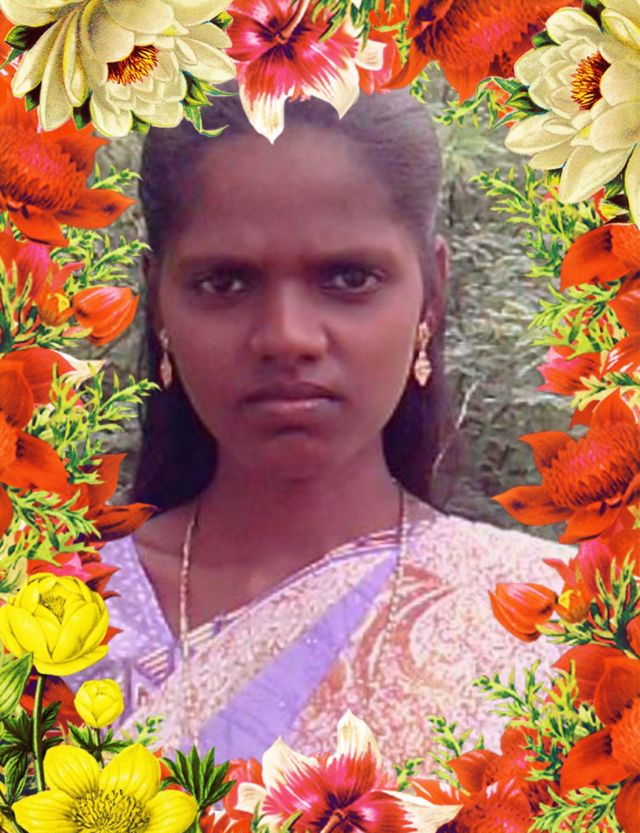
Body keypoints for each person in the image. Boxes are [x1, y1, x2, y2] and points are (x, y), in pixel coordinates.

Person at [83, 88, 573, 770]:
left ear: (430, 293)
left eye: (349, 277)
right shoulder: (51, 622)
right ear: (159, 300)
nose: (288, 337)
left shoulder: (555, 628)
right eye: (225, 283)